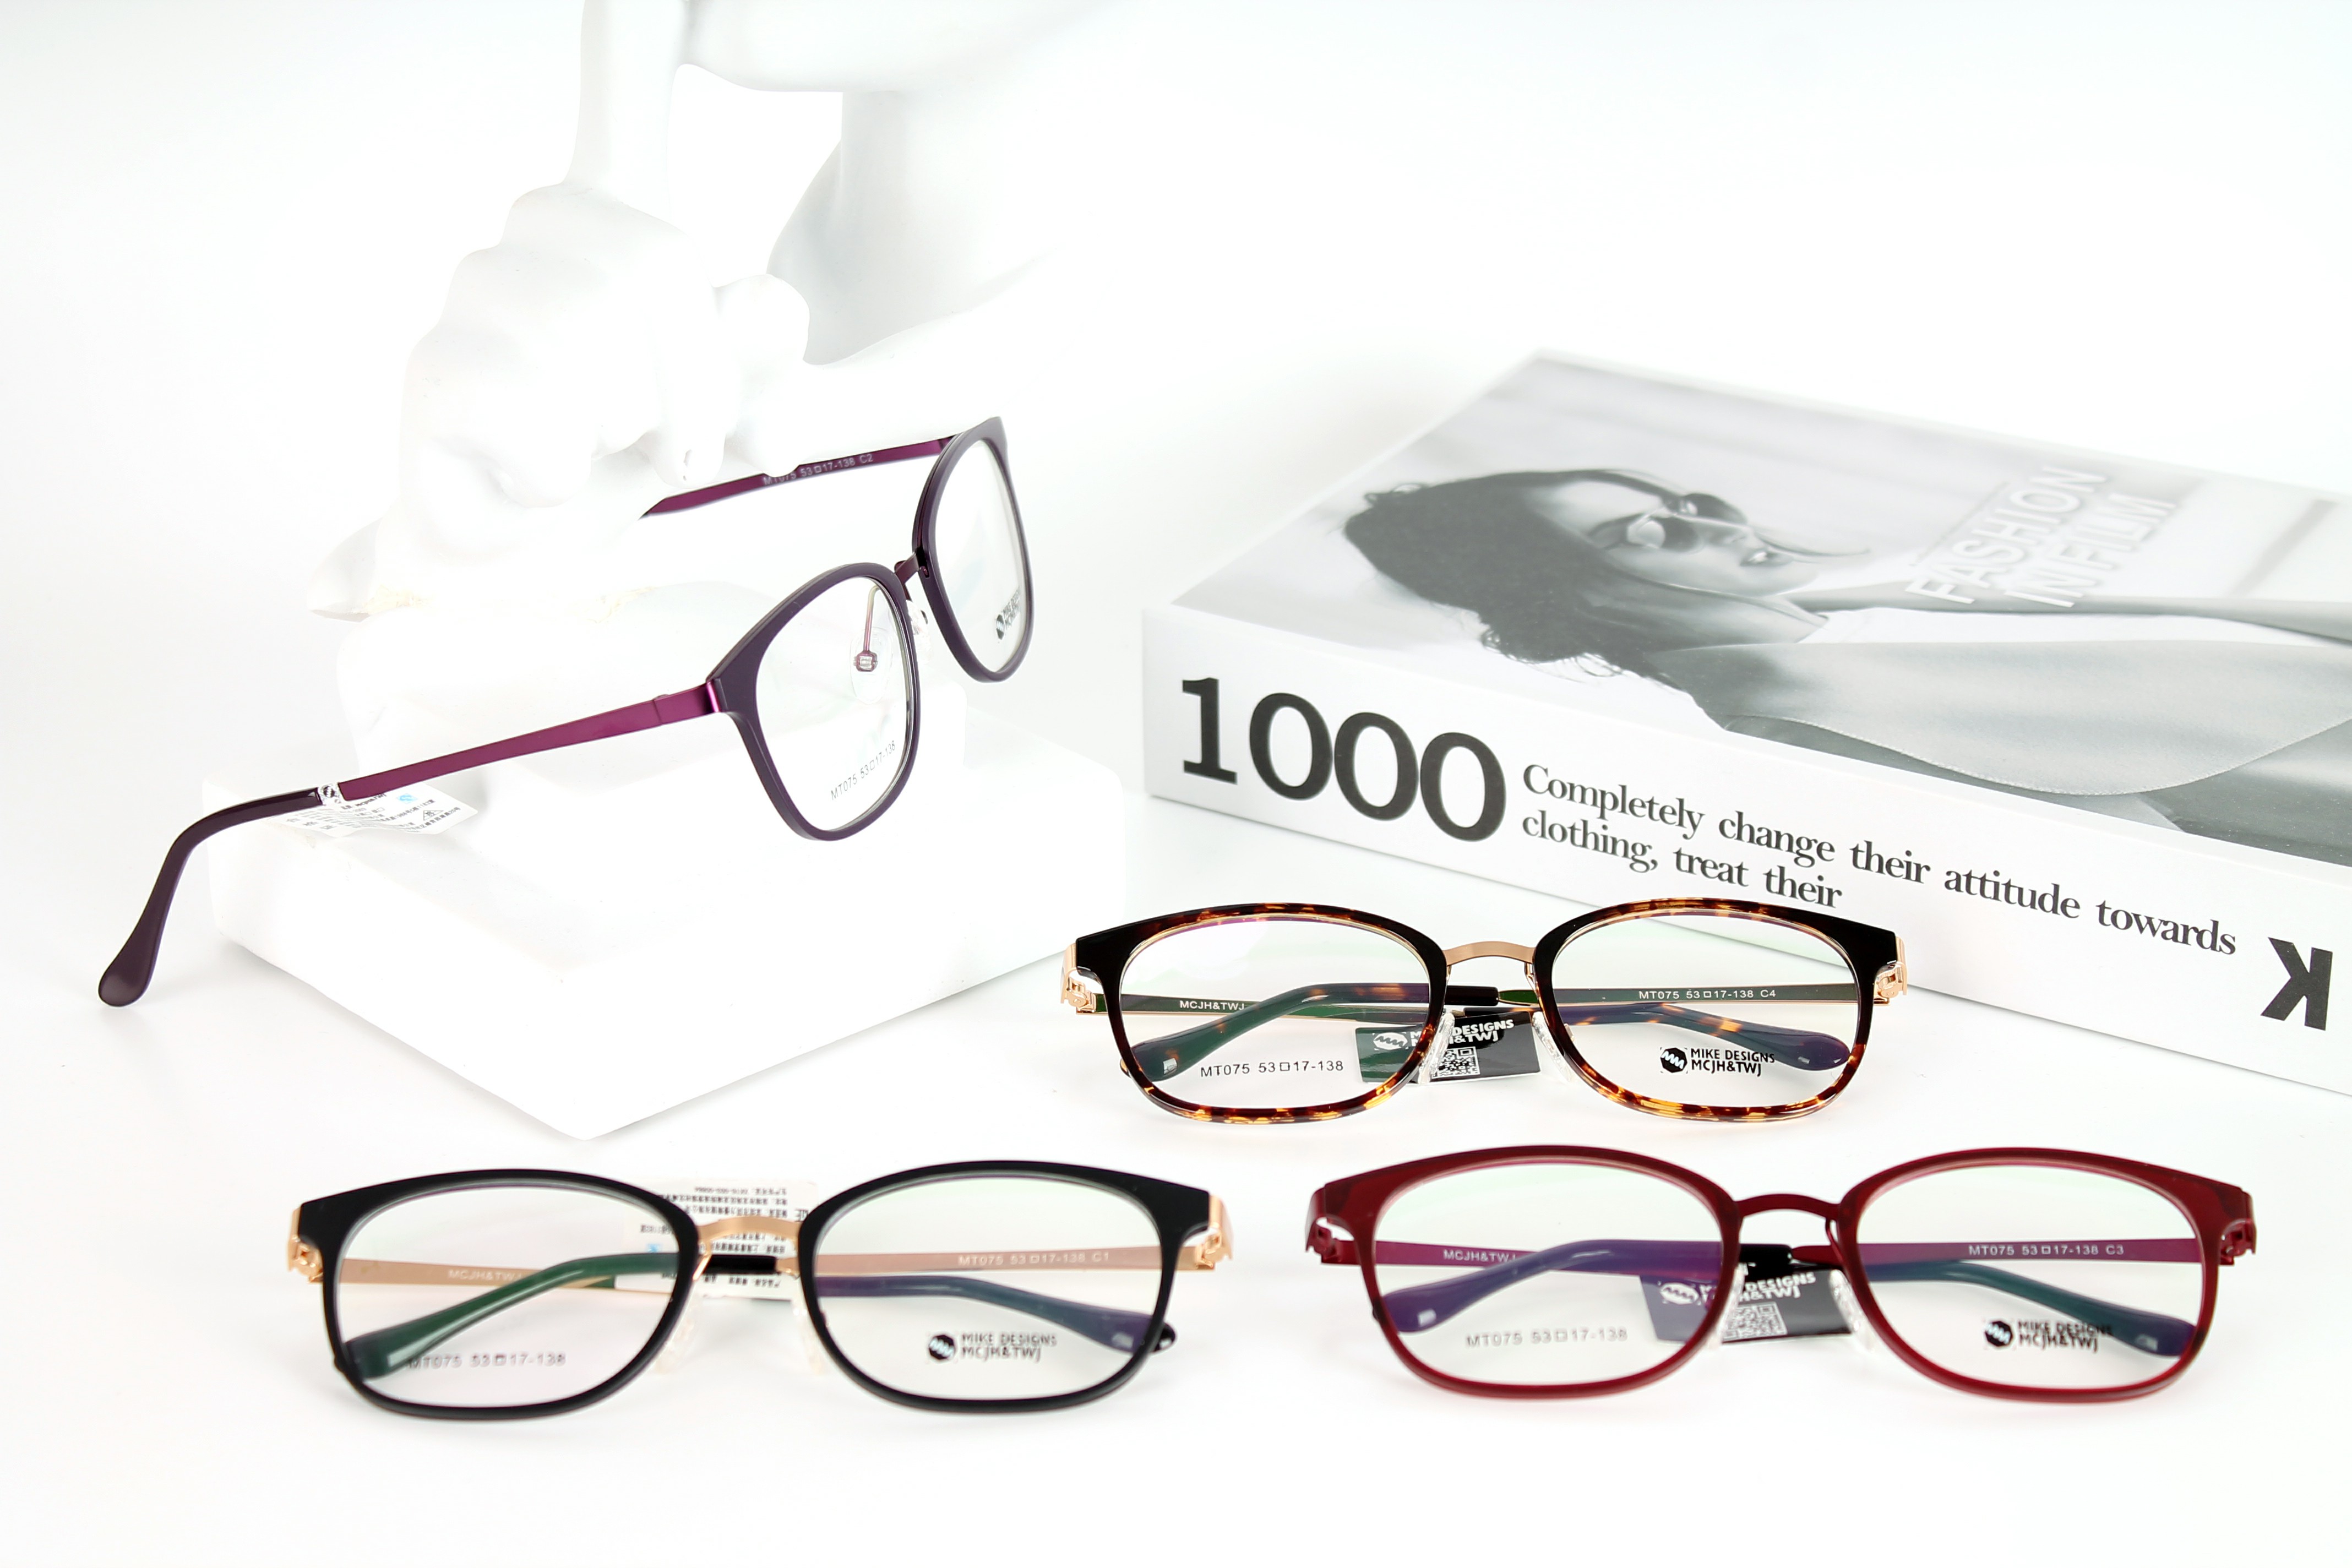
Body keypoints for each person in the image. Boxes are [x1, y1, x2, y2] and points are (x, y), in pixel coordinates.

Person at [1345, 468, 2352, 864]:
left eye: (1688, 506)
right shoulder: (1804, 722)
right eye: (1646, 533)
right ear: (1573, 599)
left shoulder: (1884, 601)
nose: (1715, 527)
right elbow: (2161, 870)